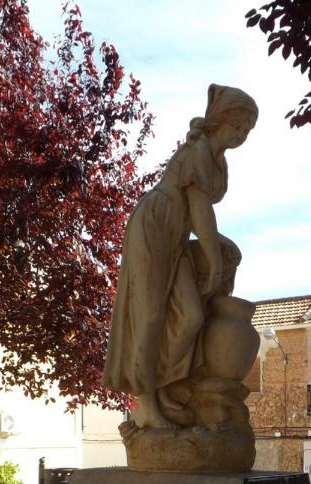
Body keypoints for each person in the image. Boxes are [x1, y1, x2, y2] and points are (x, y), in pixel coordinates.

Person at [103, 84, 258, 429]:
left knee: (189, 315)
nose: (243, 135)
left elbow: (201, 217)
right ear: (223, 120)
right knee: (151, 317)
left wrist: (221, 248)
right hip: (156, 225)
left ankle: (165, 383)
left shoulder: (219, 161)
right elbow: (201, 212)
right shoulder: (199, 151)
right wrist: (214, 260)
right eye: (240, 126)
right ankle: (148, 407)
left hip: (175, 231)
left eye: (248, 130)